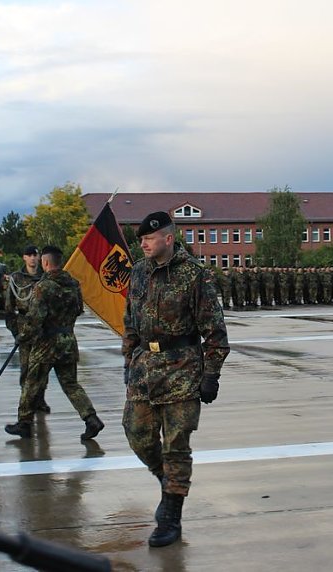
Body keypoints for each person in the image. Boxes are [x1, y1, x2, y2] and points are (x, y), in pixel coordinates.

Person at [122, 211, 230, 548]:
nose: (143, 243)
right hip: (144, 367)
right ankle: (168, 482)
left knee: (176, 446)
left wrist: (211, 375)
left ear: (168, 238)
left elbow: (215, 332)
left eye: (149, 238)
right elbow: (129, 320)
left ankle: (170, 514)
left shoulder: (195, 276)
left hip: (182, 370)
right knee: (136, 433)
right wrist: (129, 358)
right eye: (141, 239)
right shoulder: (138, 273)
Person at [4, 246, 103, 440]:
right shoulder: (74, 284)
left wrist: (22, 336)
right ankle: (91, 419)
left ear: (46, 263)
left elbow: (35, 319)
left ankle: (24, 423)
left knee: (31, 383)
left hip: (46, 343)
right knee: (71, 384)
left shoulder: (43, 286)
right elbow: (78, 310)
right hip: (68, 340)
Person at [5, 245, 50, 414]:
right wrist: (15, 331)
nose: (32, 258)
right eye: (29, 255)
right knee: (26, 367)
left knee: (42, 367)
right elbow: (9, 308)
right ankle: (26, 401)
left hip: (42, 328)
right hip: (24, 325)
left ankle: (40, 398)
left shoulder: (45, 277)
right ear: (24, 257)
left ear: (39, 258)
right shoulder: (17, 278)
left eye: (35, 255)